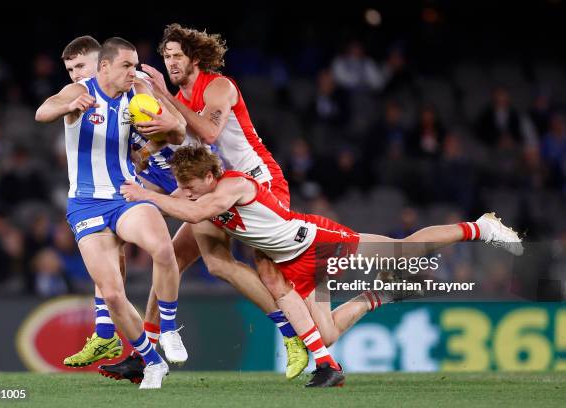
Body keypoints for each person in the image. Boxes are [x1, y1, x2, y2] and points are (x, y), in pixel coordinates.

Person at [121, 145, 524, 387]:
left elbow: (195, 210)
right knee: (324, 332)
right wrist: (144, 186)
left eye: (190, 186)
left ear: (210, 175)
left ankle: (479, 227)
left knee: (403, 248)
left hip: (317, 241)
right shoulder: (201, 188)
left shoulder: (232, 186)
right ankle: (365, 315)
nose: (186, 194)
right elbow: (179, 198)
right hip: (289, 261)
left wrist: (146, 195)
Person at [100, 23, 307, 383]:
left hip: (259, 181)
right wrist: (144, 152)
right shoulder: (178, 103)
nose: (171, 63)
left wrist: (162, 94)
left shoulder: (219, 87)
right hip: (218, 186)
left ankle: (296, 335)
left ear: (195, 57)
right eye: (166, 57)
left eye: (177, 56)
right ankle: (144, 353)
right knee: (172, 256)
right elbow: (177, 139)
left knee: (258, 269)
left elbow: (208, 132)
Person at [36, 37, 186, 389]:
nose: (133, 72)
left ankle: (168, 329)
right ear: (105, 67)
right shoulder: (78, 90)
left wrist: (154, 134)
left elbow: (178, 131)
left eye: (135, 65)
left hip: (125, 195)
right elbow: (43, 112)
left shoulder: (138, 94)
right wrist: (68, 105)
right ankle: (151, 362)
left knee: (163, 249)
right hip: (86, 204)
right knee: (113, 294)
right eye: (127, 65)